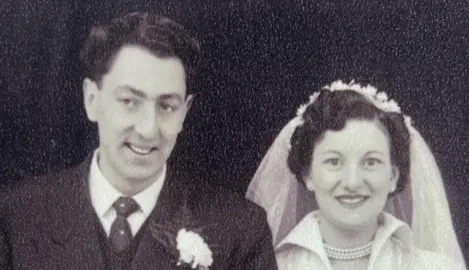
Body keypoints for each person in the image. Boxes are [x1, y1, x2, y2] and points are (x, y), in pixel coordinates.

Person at [0, 12, 278, 270]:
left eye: (166, 106)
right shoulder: (15, 217)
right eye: (130, 102)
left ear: (185, 112)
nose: (147, 129)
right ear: (92, 100)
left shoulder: (239, 231)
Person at [246, 80, 466, 269]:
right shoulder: (272, 267)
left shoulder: (437, 267)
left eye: (371, 162)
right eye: (334, 161)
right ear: (308, 175)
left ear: (393, 177)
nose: (352, 182)